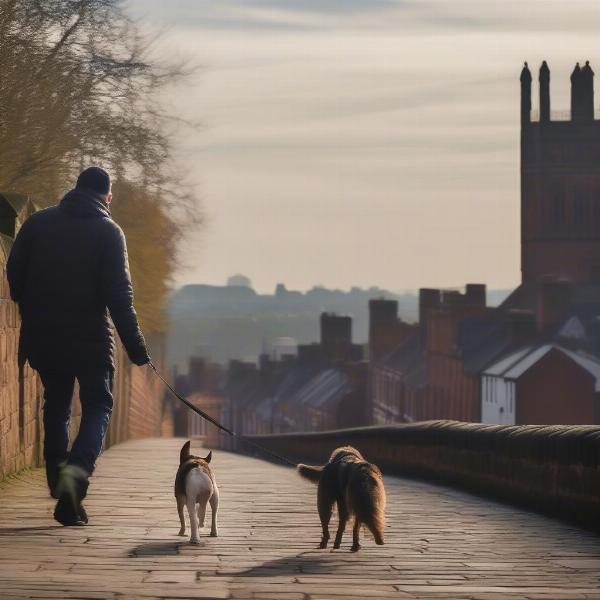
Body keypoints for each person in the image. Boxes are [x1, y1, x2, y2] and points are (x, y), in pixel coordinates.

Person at [7, 167, 150, 526]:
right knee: (98, 405)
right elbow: (120, 296)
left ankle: (57, 479)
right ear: (106, 195)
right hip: (90, 338)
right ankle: (77, 474)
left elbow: (14, 273)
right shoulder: (109, 232)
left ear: (76, 188)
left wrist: (32, 305)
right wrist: (136, 348)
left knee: (55, 403)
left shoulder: (37, 224)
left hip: (45, 335)